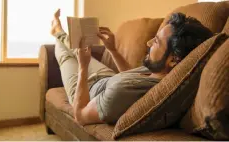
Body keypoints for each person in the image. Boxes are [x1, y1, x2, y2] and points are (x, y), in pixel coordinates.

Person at [50, 9, 213, 126]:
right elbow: (129, 77)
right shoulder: (160, 72)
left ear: (174, 60)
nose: (148, 44)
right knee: (75, 48)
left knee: (63, 52)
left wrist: (83, 68)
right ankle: (59, 31)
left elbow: (80, 115)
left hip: (87, 89)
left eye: (156, 42)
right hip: (106, 77)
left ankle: (58, 32)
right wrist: (112, 49)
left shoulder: (122, 94)